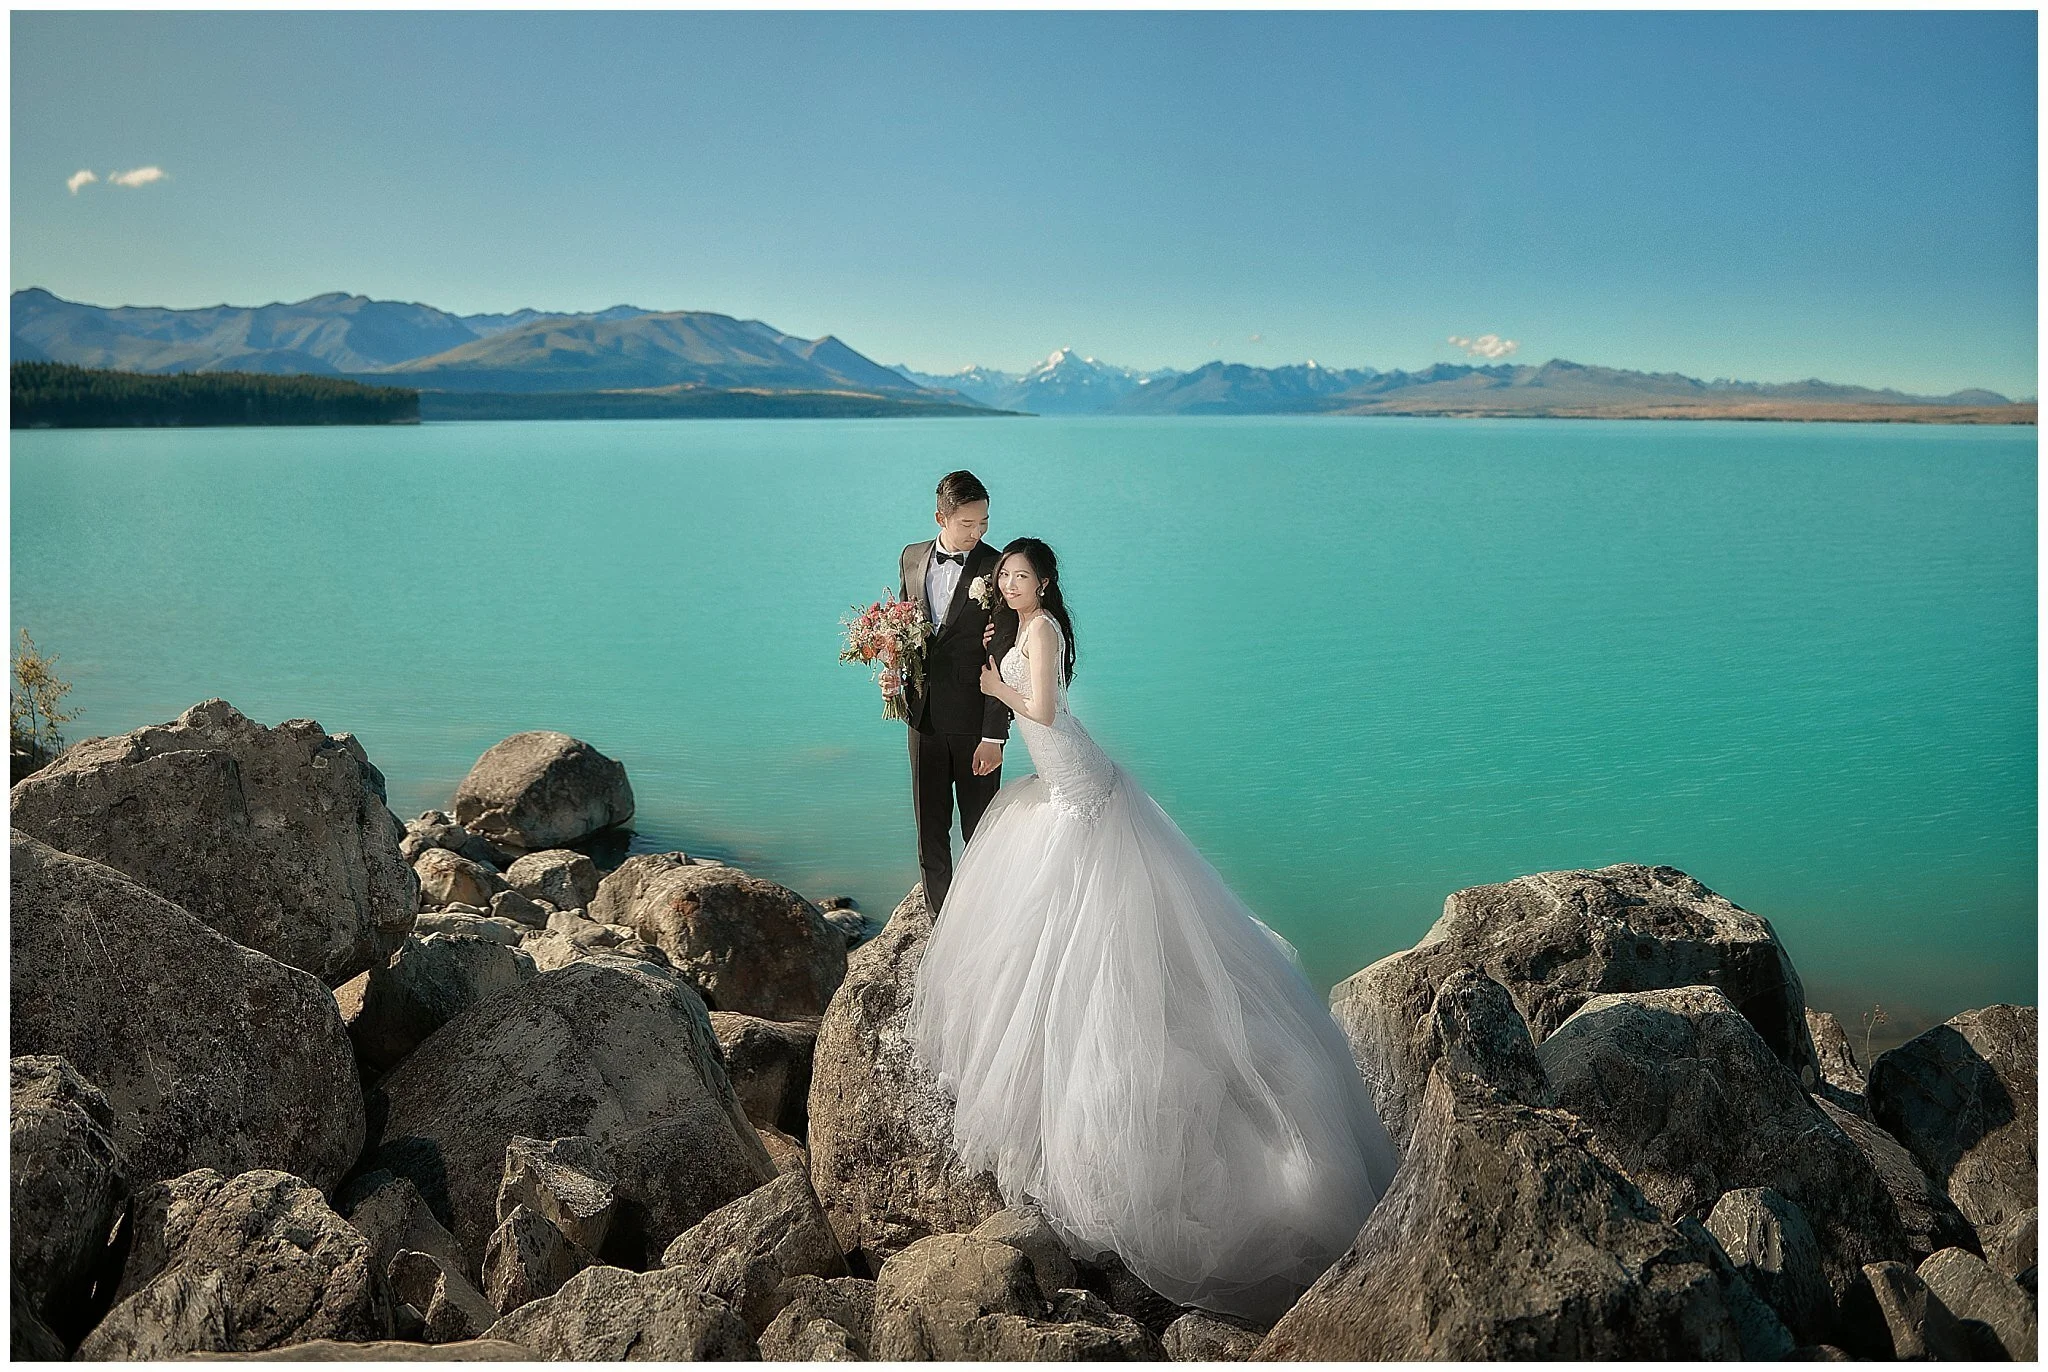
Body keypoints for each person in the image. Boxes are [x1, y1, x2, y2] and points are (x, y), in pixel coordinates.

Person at [902, 536, 1401, 1326]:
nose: (1012, 585)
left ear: (1045, 585)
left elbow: (1045, 708)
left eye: (1023, 578)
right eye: (1006, 577)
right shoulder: (1014, 621)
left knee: (1091, 919)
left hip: (1078, 786)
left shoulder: (1045, 634)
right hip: (1060, 779)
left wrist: (997, 687)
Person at [882, 470, 1017, 918]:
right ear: (940, 516)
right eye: (967, 525)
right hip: (922, 720)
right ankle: (942, 924)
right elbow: (901, 629)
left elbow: (1005, 662)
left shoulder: (999, 570)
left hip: (975, 724)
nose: (977, 533)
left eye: (984, 523)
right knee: (930, 833)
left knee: (981, 833)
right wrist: (893, 676)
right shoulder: (911, 557)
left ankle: (987, 921)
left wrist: (994, 738)